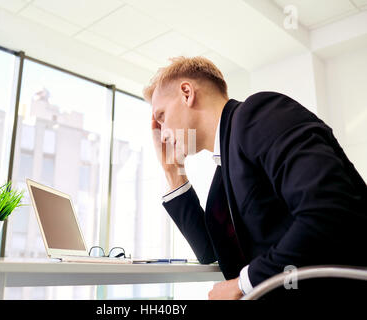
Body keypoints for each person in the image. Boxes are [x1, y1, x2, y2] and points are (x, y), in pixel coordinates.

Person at [143, 56, 367, 300]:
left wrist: (243, 283)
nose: (162, 135)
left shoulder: (258, 113)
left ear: (187, 93)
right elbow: (211, 251)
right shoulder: (225, 167)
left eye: (162, 116)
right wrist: (173, 174)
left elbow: (329, 209)